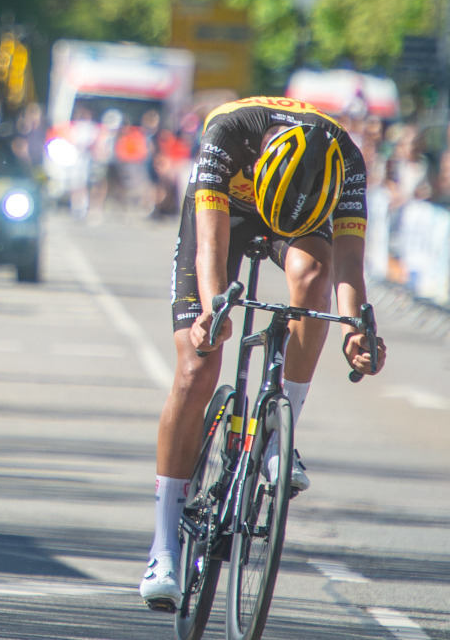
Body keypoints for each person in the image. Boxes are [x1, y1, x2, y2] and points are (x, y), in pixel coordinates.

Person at [140, 95, 387, 611]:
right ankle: (163, 545)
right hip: (227, 216)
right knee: (196, 367)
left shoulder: (343, 160)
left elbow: (348, 264)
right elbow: (209, 248)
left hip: (298, 214)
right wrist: (213, 312)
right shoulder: (227, 134)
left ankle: (279, 433)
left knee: (313, 277)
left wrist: (356, 329)